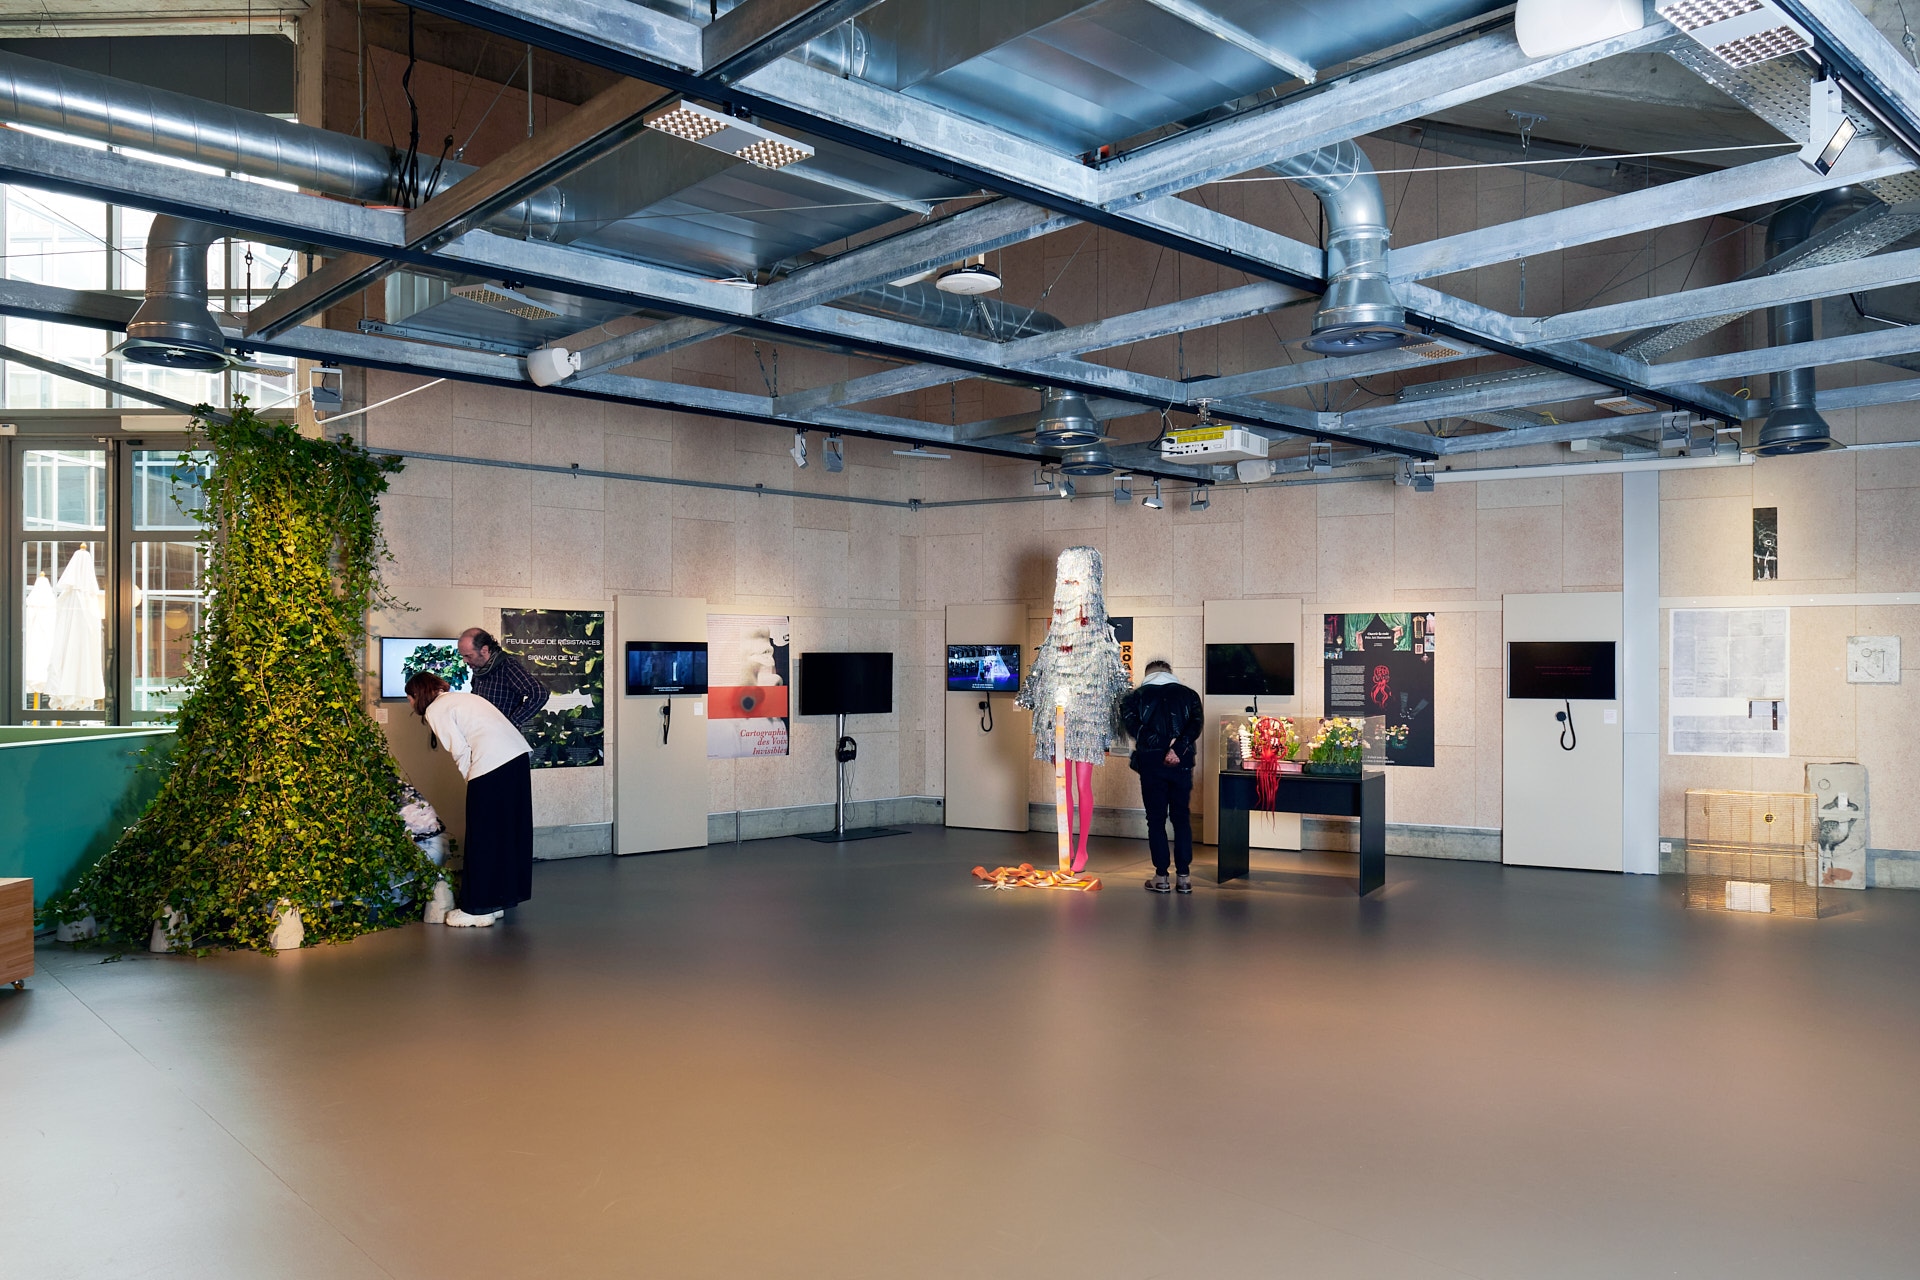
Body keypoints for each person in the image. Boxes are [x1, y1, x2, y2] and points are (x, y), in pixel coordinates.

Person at [406, 671, 535, 928]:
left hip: (491, 765)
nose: (410, 703)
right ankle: (497, 901)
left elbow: (460, 750)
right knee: (506, 834)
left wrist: (472, 781)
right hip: (517, 759)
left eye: (409, 697)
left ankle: (478, 909)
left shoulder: (436, 709)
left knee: (482, 836)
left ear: (417, 694)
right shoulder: (463, 698)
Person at [1121, 659, 1203, 894]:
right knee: (1181, 818)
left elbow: (1135, 729)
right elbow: (1195, 725)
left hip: (1151, 764)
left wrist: (1163, 744)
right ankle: (1184, 877)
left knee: (1155, 820)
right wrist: (1177, 748)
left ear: (1147, 674)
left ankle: (1161, 877)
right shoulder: (1190, 695)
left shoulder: (1133, 698)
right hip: (1182, 764)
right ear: (1169, 673)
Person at [458, 627, 548, 728]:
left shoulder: (508, 666)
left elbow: (540, 694)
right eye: (463, 656)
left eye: (468, 656)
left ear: (484, 650)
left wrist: (511, 724)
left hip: (502, 735)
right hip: (482, 731)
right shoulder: (479, 668)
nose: (465, 661)